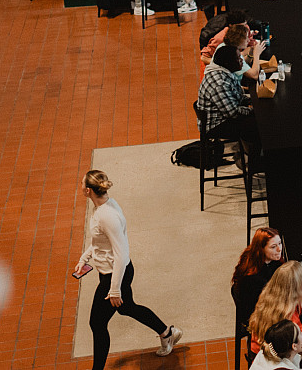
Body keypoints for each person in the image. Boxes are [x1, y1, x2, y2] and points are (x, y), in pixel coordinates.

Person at [75, 170, 183, 370]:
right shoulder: (101, 208)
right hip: (113, 273)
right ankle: (167, 333)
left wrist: (114, 289)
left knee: (97, 324)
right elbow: (100, 241)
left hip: (115, 275)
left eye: (82, 183)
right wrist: (85, 258)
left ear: (88, 190)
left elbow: (121, 254)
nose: (80, 185)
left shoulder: (107, 216)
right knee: (127, 307)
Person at [197, 37, 264, 147]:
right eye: (239, 59)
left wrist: (254, 100)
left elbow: (237, 95)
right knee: (258, 125)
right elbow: (233, 113)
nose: (242, 61)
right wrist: (254, 111)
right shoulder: (219, 83)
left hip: (224, 115)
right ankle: (254, 160)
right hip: (216, 124)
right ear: (229, 62)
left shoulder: (227, 72)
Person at [231, 228, 285, 329]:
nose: (279, 249)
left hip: (268, 306)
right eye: (273, 247)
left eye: (280, 243)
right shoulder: (252, 276)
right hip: (257, 317)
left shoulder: (272, 261)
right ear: (261, 249)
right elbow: (266, 304)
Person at [199, 11, 257, 76]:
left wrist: (247, 52)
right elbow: (204, 58)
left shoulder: (245, 29)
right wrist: (225, 63)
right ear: (231, 26)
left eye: (245, 25)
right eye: (240, 27)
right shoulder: (220, 39)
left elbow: (249, 46)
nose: (244, 29)